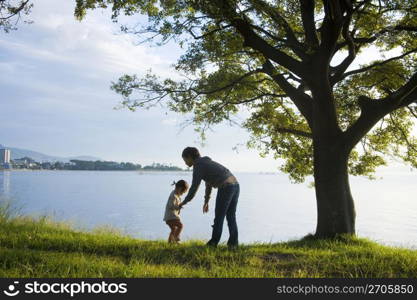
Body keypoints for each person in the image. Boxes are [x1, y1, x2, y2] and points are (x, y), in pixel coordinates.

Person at [179, 147, 240, 248]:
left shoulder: (198, 165)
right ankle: (233, 244)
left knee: (219, 217)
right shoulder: (206, 163)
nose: (185, 163)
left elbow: (194, 187)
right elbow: (208, 184)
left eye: (185, 160)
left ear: (189, 157)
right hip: (236, 185)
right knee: (231, 216)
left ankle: (213, 243)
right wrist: (206, 201)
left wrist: (184, 202)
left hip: (226, 187)